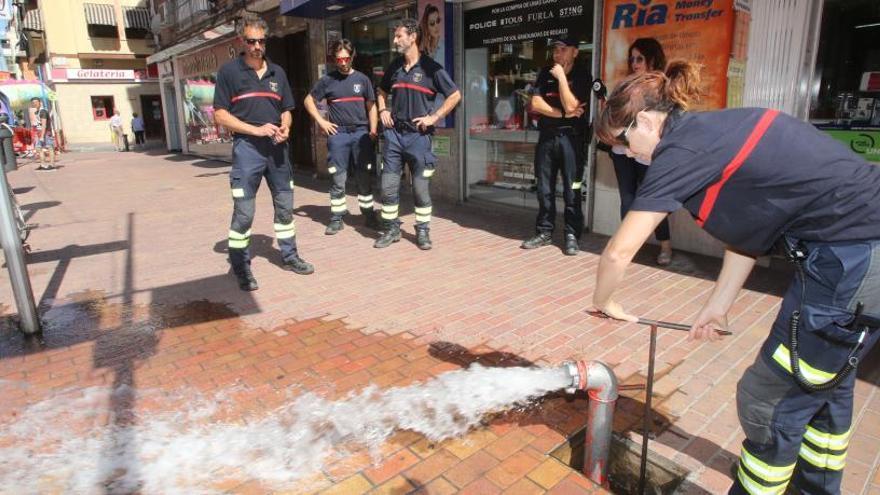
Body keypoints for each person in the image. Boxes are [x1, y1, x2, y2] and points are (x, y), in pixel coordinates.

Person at [591, 61, 879, 495]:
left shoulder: (679, 150)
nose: (627, 155)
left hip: (850, 261)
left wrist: (605, 302)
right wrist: (718, 305)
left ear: (648, 121)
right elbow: (746, 238)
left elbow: (618, 252)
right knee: (823, 385)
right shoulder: (714, 131)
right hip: (849, 254)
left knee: (768, 397)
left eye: (624, 143)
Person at [213, 14, 314, 291]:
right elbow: (220, 115)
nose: (257, 46)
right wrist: (254, 130)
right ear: (241, 41)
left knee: (284, 208)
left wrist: (286, 127)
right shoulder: (229, 73)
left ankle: (290, 256)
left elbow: (287, 110)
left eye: (261, 41)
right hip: (247, 150)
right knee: (244, 213)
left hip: (278, 151)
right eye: (251, 41)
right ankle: (240, 265)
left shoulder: (277, 73)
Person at [374, 18, 460, 250]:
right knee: (388, 187)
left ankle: (422, 231)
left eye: (399, 36)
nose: (395, 40)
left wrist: (434, 117)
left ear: (412, 37)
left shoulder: (431, 69)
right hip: (394, 136)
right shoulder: (394, 66)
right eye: (395, 36)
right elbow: (381, 91)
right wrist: (383, 109)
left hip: (419, 138)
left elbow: (454, 95)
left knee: (420, 189)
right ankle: (391, 229)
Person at [520, 37, 591, 256]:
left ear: (575, 52)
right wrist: (562, 114)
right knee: (544, 188)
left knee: (572, 189)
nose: (558, 54)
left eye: (563, 49)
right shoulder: (545, 72)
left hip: (572, 139)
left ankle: (571, 234)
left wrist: (561, 78)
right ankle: (544, 231)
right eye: (556, 50)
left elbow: (573, 104)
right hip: (547, 137)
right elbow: (535, 103)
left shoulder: (582, 75)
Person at [304, 39, 380, 235]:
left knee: (364, 176)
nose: (343, 62)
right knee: (338, 178)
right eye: (339, 59)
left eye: (346, 58)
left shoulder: (363, 80)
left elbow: (372, 107)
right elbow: (308, 101)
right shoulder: (328, 81)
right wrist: (322, 122)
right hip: (339, 135)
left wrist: (373, 130)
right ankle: (337, 217)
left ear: (352, 56)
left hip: (361, 133)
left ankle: (369, 215)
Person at [610, 38, 673, 265]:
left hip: (646, 153)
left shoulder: (662, 86)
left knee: (651, 200)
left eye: (640, 58)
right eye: (632, 59)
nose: (635, 63)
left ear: (652, 59)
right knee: (627, 199)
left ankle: (665, 245)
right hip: (622, 149)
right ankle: (628, 247)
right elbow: (614, 114)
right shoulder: (625, 84)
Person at [30, 97, 55, 170]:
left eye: (36, 102)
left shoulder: (43, 111)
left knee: (50, 147)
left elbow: (44, 125)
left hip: (46, 133)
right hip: (39, 132)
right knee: (38, 148)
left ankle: (52, 164)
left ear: (40, 102)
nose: (35, 104)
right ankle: (42, 164)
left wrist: (42, 136)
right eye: (33, 102)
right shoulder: (37, 112)